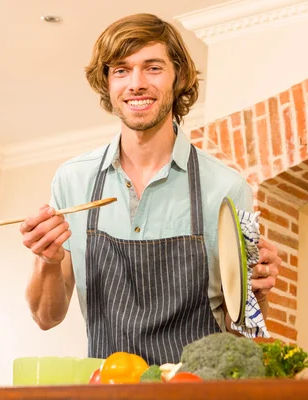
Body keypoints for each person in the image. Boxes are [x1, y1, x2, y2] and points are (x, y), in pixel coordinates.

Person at [19, 13, 281, 366]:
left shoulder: (229, 189)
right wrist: (47, 260)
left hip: (196, 391)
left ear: (180, 77)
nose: (136, 84)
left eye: (153, 68)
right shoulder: (72, 181)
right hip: (107, 389)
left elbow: (246, 333)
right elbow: (45, 318)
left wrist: (258, 295)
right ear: (107, 83)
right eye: (121, 70)